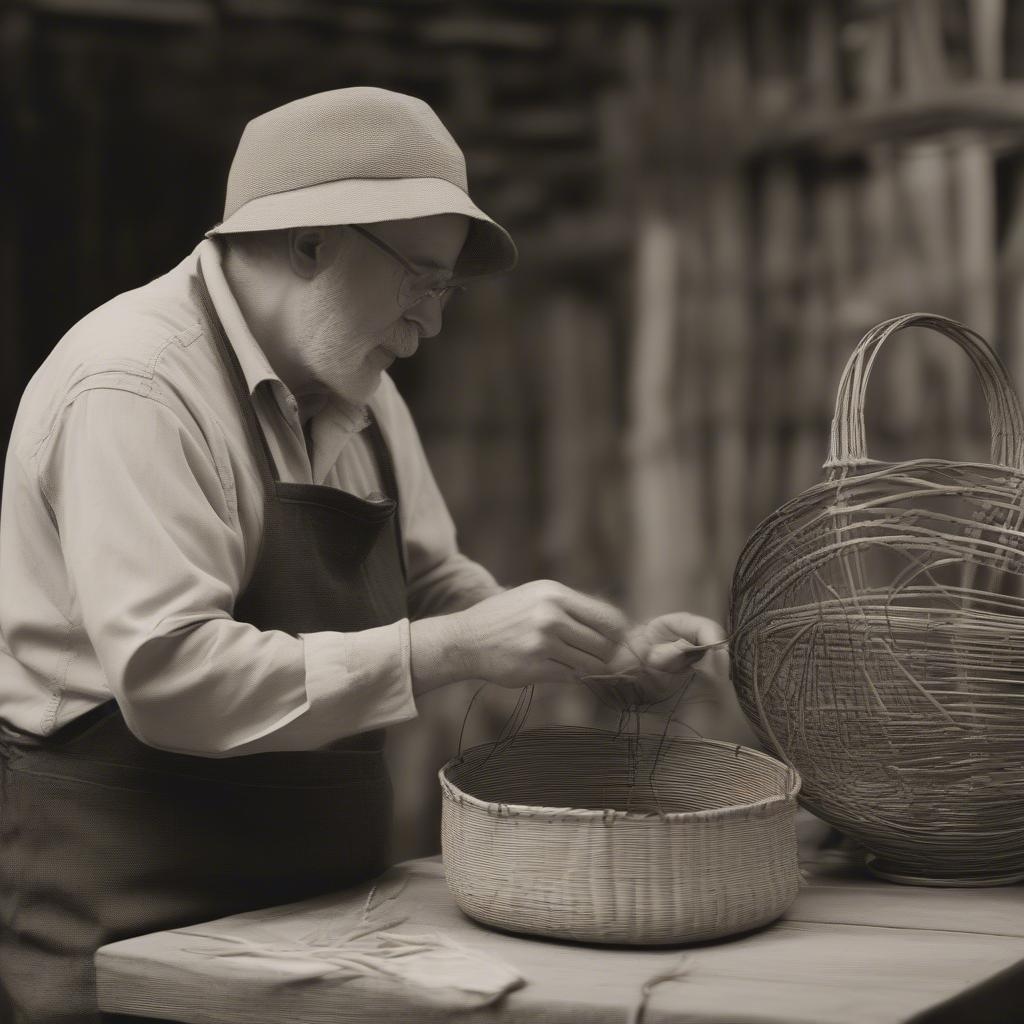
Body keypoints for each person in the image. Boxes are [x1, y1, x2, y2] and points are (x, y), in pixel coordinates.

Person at [0, 87, 723, 1023]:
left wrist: (605, 655)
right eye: (421, 278)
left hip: (319, 923)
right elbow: (172, 680)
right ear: (311, 242)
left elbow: (434, 586)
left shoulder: (361, 392)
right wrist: (452, 649)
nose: (432, 322)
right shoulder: (134, 386)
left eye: (447, 289)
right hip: (126, 928)